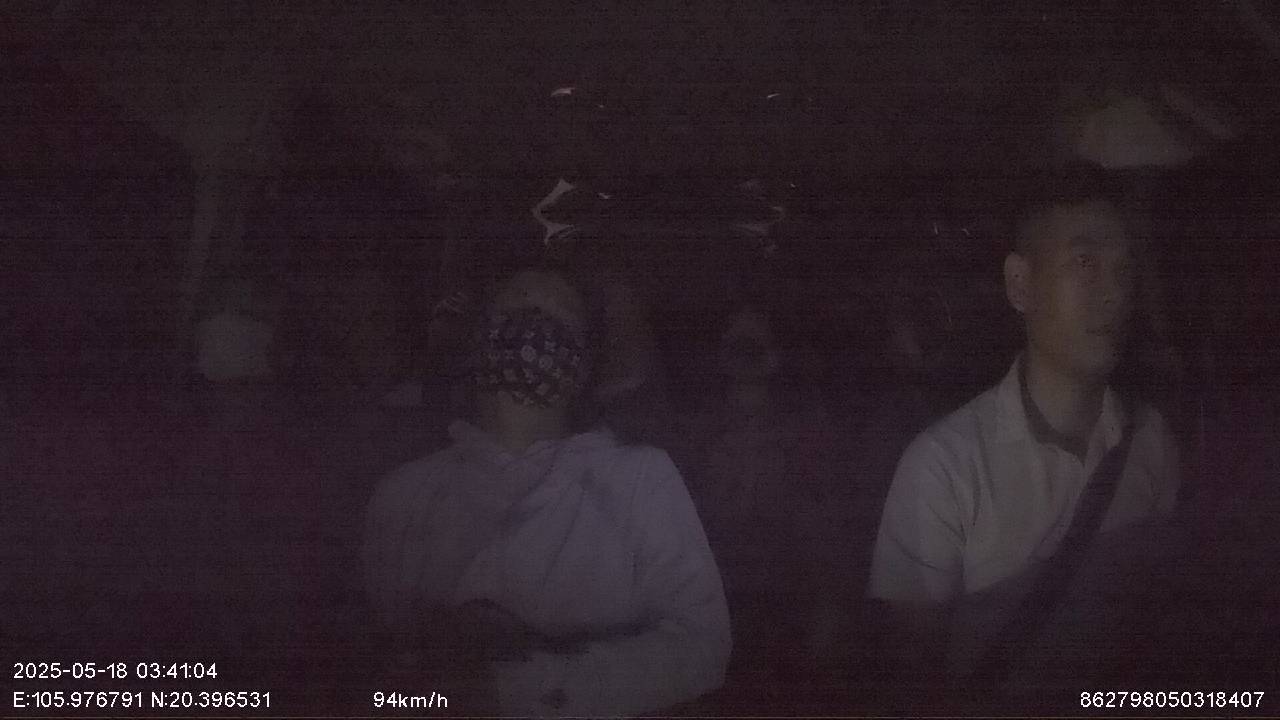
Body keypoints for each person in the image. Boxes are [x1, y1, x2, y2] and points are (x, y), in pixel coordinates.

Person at [865, 164, 1183, 709]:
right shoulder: (944, 467)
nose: (1113, 293)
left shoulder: (1151, 440)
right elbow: (915, 679)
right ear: (1019, 284)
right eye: (1084, 263)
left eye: (1124, 270)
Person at [361, 267, 730, 716]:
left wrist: (512, 688)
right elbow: (378, 680)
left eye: (560, 315)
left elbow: (703, 646)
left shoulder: (640, 476)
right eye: (517, 305)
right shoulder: (404, 493)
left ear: (584, 361)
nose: (535, 323)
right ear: (478, 339)